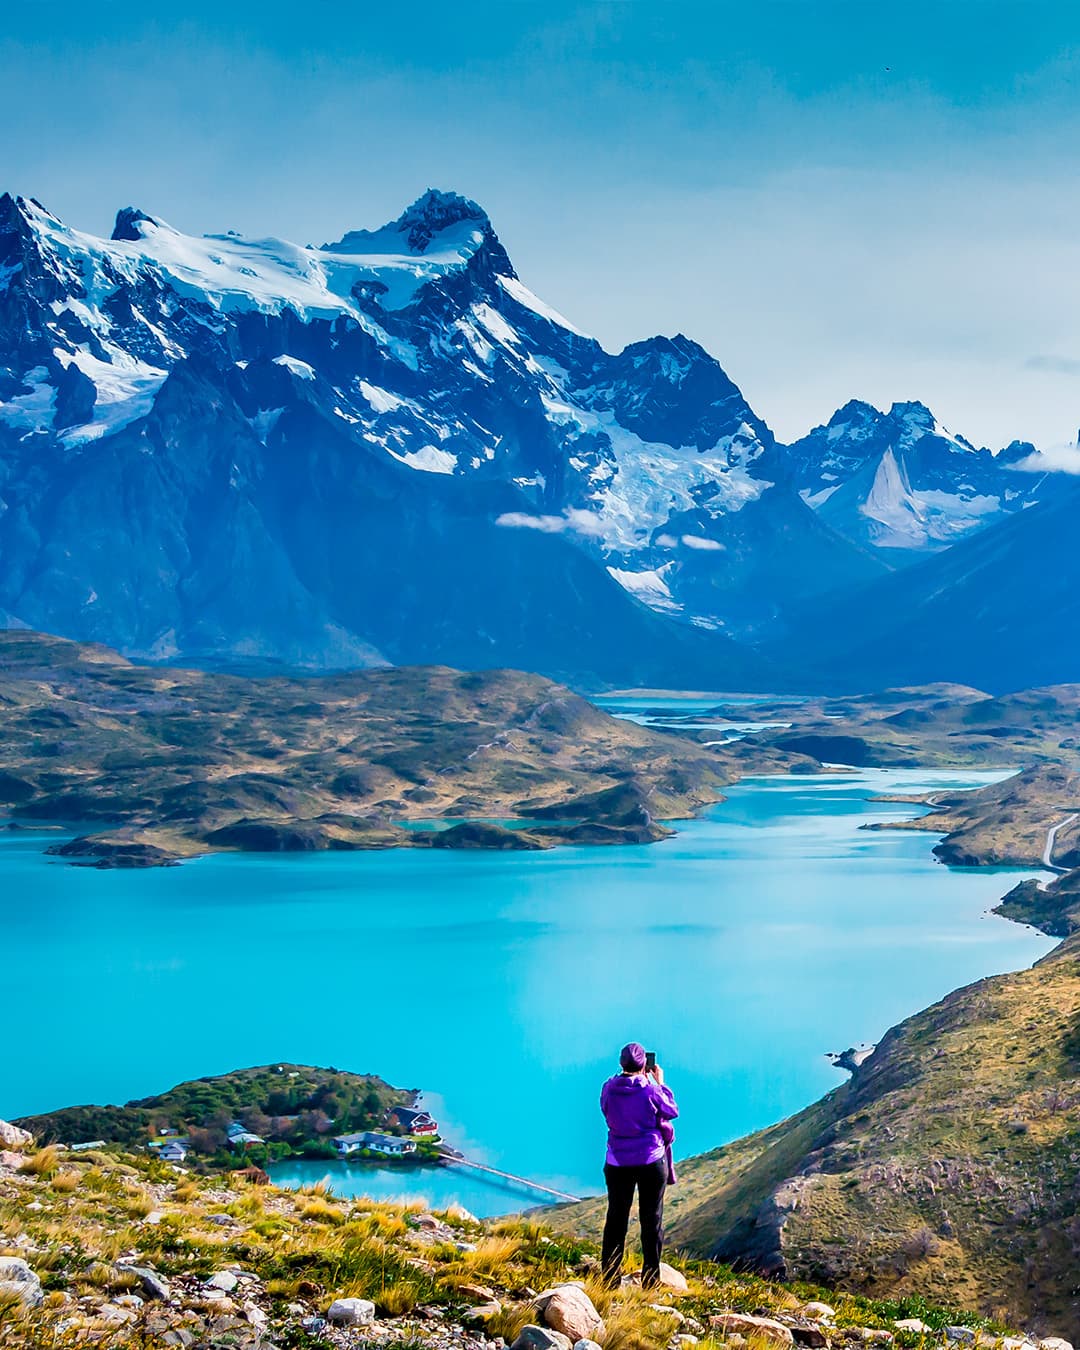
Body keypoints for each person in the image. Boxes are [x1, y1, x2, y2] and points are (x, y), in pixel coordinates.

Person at [599, 1042, 678, 1288]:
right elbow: (671, 1110)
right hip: (650, 1161)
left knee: (616, 1220)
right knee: (651, 1221)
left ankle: (609, 1281)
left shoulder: (609, 1088)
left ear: (621, 1063)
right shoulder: (651, 1091)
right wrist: (660, 1083)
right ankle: (650, 1282)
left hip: (618, 1161)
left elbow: (606, 1110)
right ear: (645, 1064)